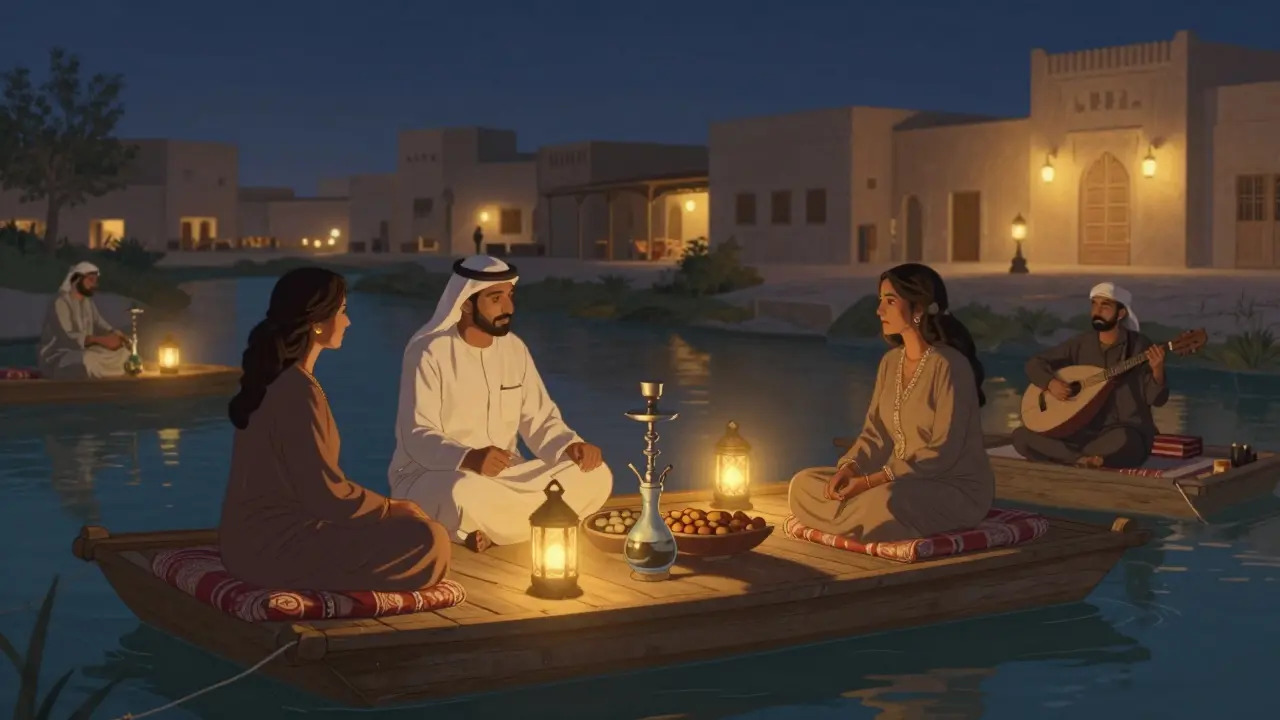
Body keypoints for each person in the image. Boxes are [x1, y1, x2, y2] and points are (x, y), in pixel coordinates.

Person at [219, 268, 451, 592]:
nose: (348, 322)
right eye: (342, 312)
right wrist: (389, 508)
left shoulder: (283, 380)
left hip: (250, 545)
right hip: (274, 550)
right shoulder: (297, 391)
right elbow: (325, 496)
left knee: (417, 532)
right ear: (317, 322)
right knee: (430, 539)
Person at [389, 255, 612, 553]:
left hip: (508, 476)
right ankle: (530, 524)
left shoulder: (514, 349)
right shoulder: (429, 352)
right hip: (435, 475)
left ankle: (496, 531)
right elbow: (417, 434)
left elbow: (541, 420)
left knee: (597, 475)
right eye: (496, 299)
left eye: (510, 296)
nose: (509, 308)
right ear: (466, 302)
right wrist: (468, 457)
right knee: (463, 493)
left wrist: (570, 446)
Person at [788, 263, 993, 542]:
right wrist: (850, 470)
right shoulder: (890, 362)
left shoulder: (949, 365)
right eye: (880, 300)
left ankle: (859, 521)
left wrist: (870, 482)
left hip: (949, 488)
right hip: (891, 481)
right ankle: (862, 523)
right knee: (803, 484)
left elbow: (943, 451)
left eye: (890, 301)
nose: (879, 310)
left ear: (918, 309)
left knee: (885, 501)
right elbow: (875, 435)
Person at [1011, 282, 1168, 469]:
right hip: (1080, 430)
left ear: (1121, 314)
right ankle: (1084, 459)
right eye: (1094, 304)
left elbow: (1156, 399)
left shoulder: (1139, 346)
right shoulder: (1081, 344)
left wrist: (1157, 370)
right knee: (1021, 437)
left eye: (1105, 306)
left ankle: (1076, 458)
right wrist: (1051, 383)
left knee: (1127, 441)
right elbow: (1034, 364)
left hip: (1120, 429)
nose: (1097, 311)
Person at [37, 262, 131, 380]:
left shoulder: (87, 302)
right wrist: (100, 340)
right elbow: (66, 337)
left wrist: (116, 334)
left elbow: (100, 323)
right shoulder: (60, 302)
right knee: (87, 359)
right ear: (77, 279)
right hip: (59, 355)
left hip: (83, 350)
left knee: (123, 353)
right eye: (91, 280)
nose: (94, 285)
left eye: (95, 281)